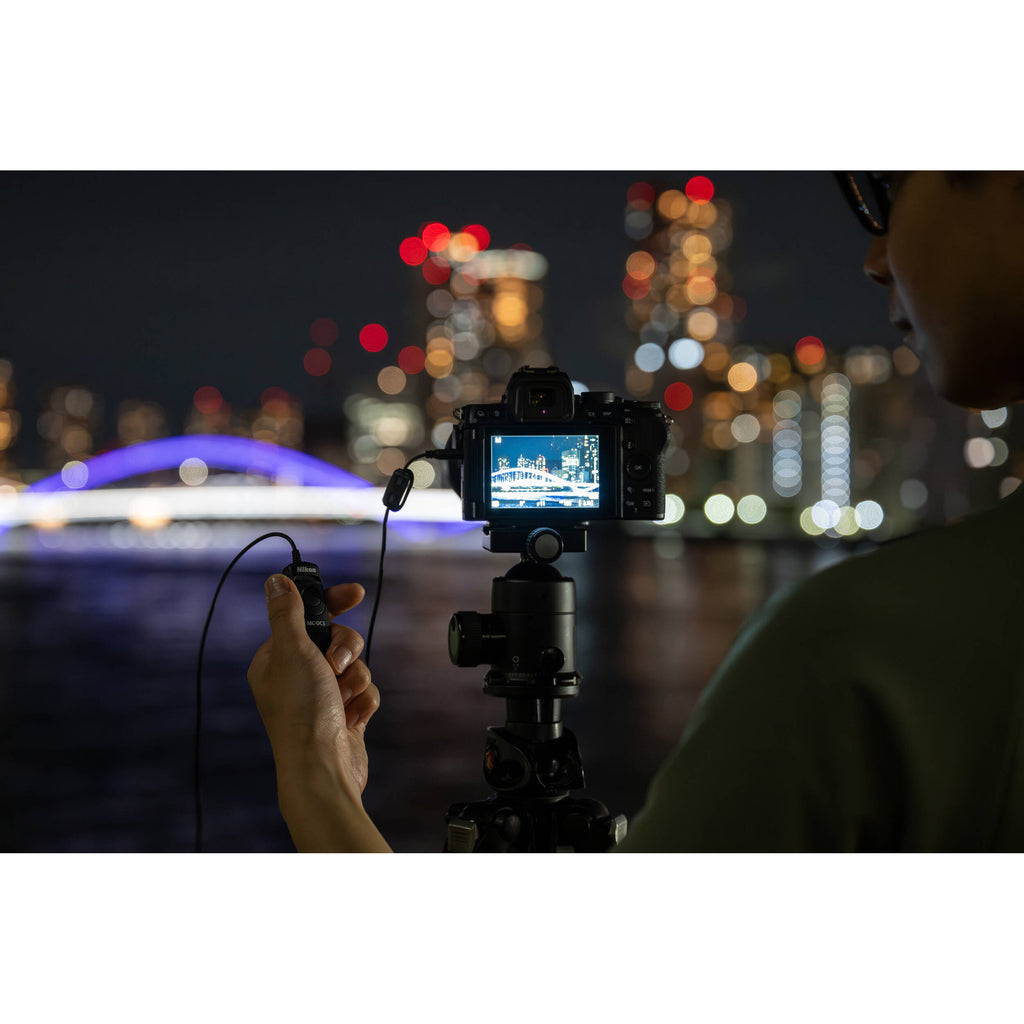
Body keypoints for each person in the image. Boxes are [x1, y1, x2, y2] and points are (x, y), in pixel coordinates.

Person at [247, 171, 1024, 852]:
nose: (875, 257)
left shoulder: (852, 652)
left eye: (886, 194)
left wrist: (316, 774)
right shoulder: (936, 626)